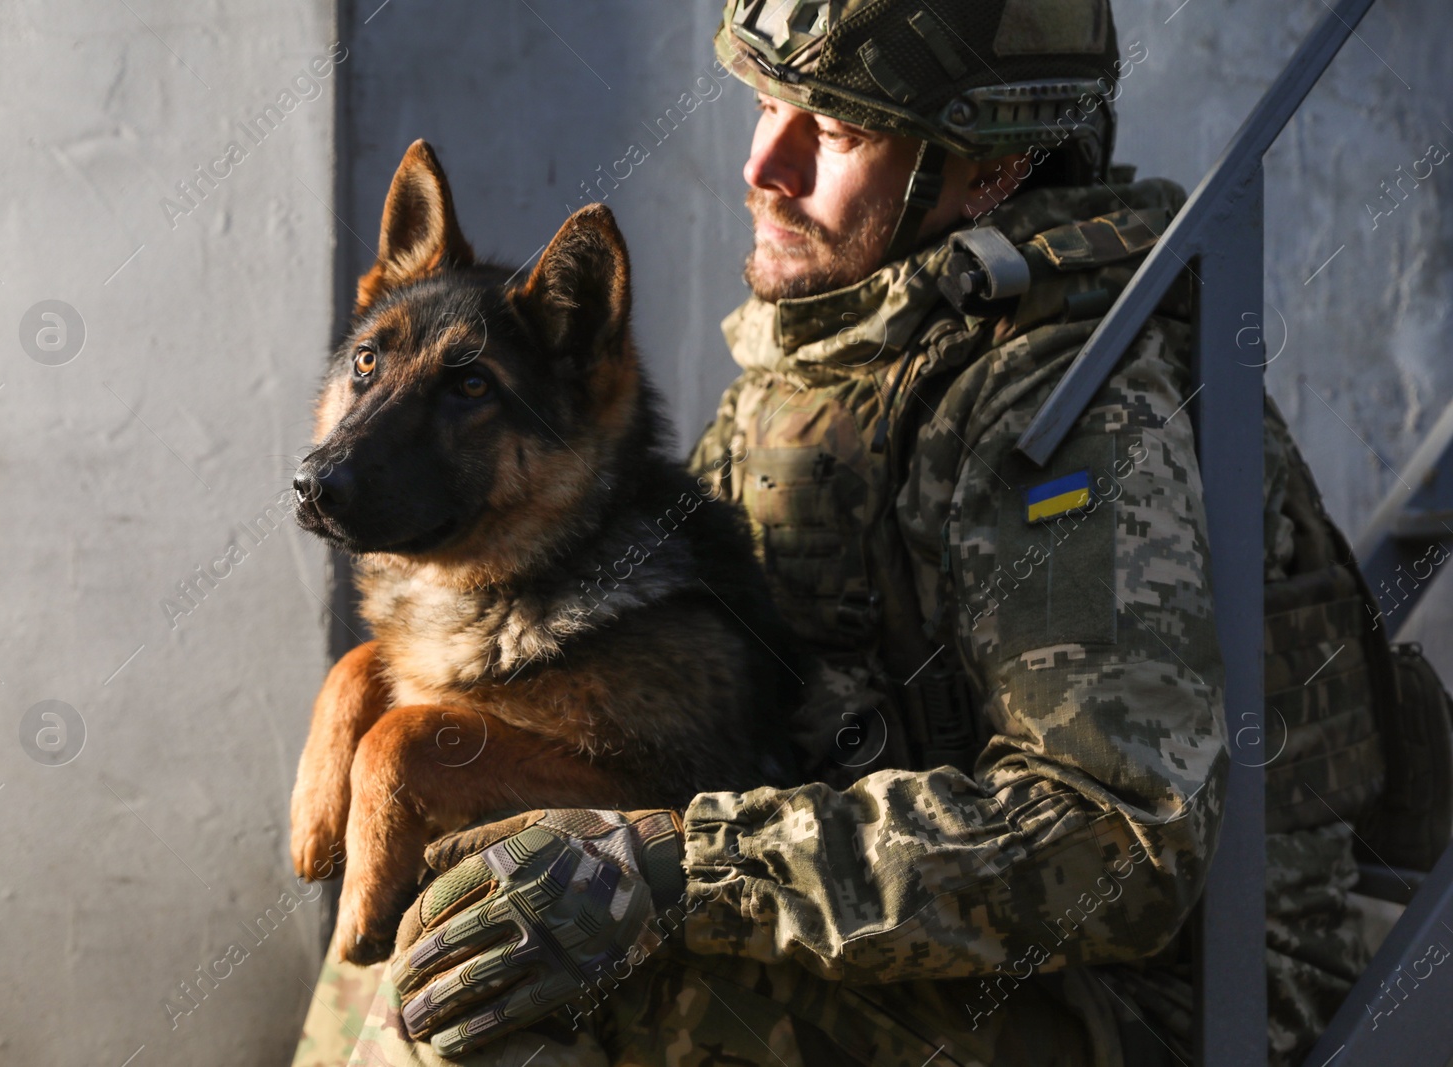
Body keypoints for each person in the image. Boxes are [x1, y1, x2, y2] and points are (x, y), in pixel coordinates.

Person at [293, 1, 1408, 1063]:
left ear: (988, 168)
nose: (762, 166)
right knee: (441, 915)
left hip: (1160, 1005)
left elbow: (1114, 840)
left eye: (830, 131)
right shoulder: (829, 368)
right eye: (766, 108)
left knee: (502, 982)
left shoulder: (1075, 418)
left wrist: (686, 875)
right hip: (918, 942)